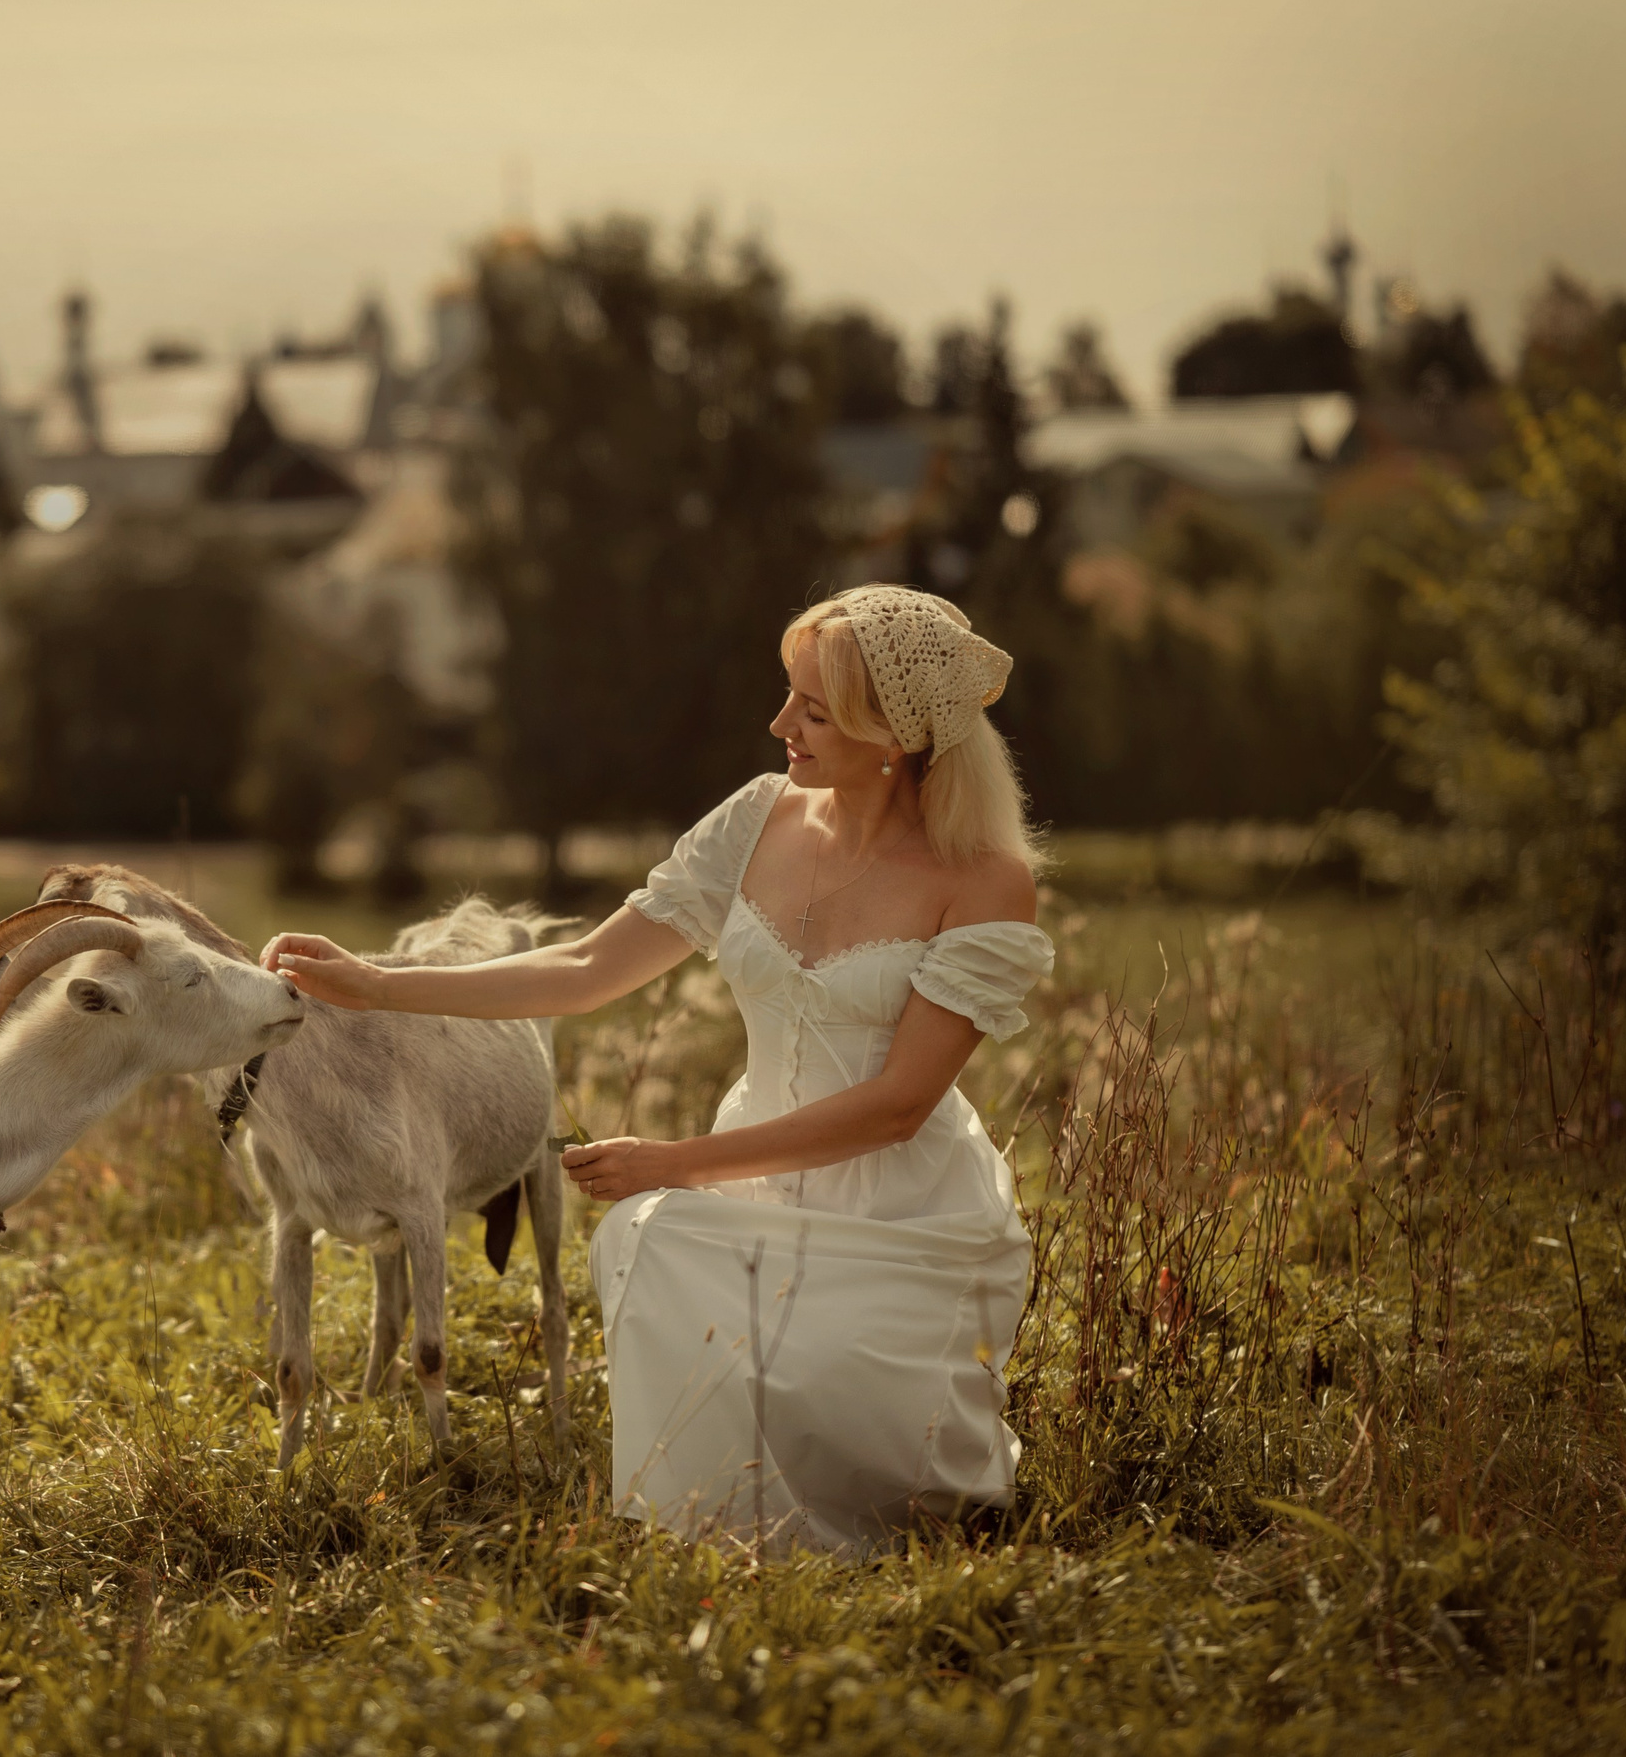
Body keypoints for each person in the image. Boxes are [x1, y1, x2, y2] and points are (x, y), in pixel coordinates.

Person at [260, 584, 1051, 1554]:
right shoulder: (756, 819)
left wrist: (674, 1161)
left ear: (892, 730)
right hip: (751, 1177)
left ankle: (885, 1513)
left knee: (880, 1456)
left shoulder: (984, 881)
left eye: (809, 707)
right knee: (647, 1238)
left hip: (902, 1207)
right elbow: (590, 968)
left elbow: (894, 1108)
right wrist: (378, 985)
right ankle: (714, 1533)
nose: (778, 725)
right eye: (786, 694)